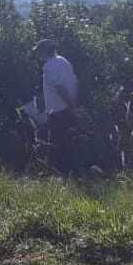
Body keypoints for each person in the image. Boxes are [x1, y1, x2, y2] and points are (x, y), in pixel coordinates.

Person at [36, 39, 79, 172]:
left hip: (58, 111)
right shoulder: (63, 61)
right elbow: (75, 82)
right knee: (68, 143)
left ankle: (61, 177)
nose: (38, 54)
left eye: (39, 51)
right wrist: (74, 105)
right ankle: (72, 174)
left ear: (44, 51)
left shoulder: (49, 66)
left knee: (56, 146)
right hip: (67, 108)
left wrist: (71, 106)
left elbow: (60, 88)